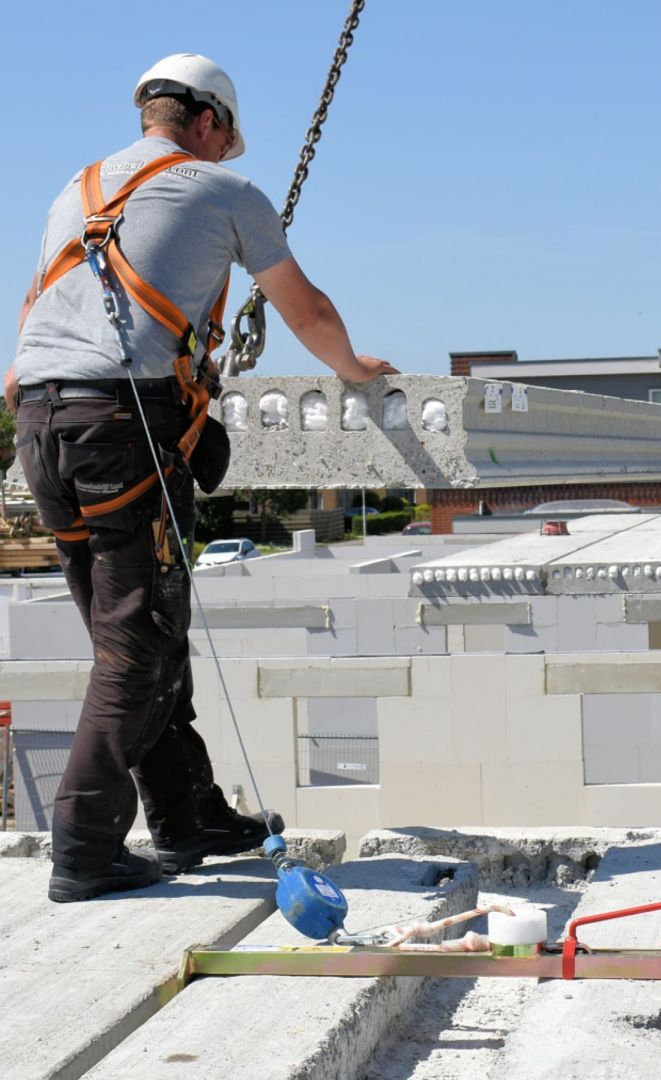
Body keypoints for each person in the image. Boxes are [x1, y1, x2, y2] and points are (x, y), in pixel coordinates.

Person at [5, 53, 397, 903]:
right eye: (223, 142)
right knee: (136, 644)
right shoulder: (225, 193)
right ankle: (83, 849)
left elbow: (33, 327)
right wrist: (356, 369)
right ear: (209, 123)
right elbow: (308, 311)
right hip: (119, 425)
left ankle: (188, 818)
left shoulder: (73, 192)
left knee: (144, 631)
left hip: (39, 425)